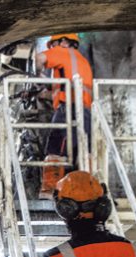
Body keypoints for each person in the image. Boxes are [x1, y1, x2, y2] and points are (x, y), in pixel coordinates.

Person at [36, 34, 93, 197]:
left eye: (54, 45)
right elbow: (65, 89)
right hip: (85, 111)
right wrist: (43, 93)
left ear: (64, 41)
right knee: (82, 152)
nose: (53, 49)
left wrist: (38, 76)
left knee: (55, 148)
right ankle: (86, 189)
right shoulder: (81, 60)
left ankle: (50, 190)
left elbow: (39, 58)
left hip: (68, 109)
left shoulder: (63, 51)